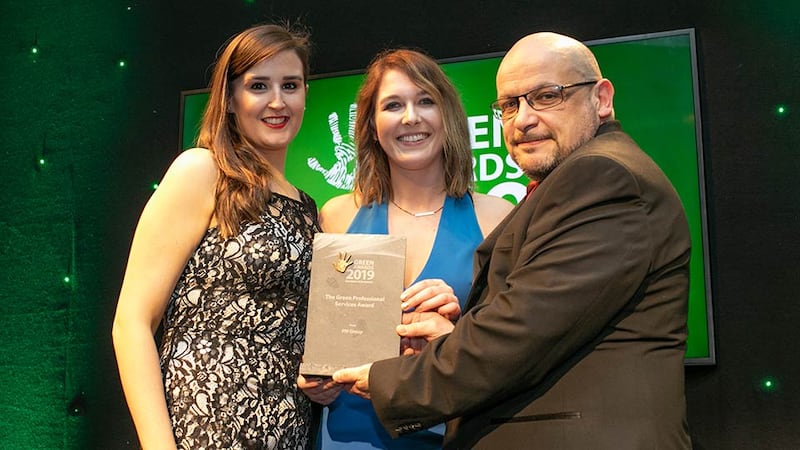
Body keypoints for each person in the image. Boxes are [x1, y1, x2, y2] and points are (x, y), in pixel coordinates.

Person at [332, 32, 693, 449]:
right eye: (509, 105)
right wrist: (450, 337)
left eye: (547, 96)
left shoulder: (602, 176)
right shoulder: (572, 182)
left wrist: (384, 380)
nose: (523, 119)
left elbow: (519, 333)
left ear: (602, 98)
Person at [112, 23, 320, 449]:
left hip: (290, 432)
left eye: (290, 85)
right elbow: (131, 322)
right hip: (204, 427)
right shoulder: (202, 171)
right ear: (229, 99)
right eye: (258, 86)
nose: (277, 101)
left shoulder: (309, 207)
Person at [298, 49, 514, 449]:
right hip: (349, 438)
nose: (410, 117)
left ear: (448, 117)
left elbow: (512, 350)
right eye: (393, 105)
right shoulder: (337, 216)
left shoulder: (497, 218)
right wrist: (315, 382)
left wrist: (456, 332)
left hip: (454, 437)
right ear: (372, 126)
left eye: (425, 101)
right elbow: (316, 338)